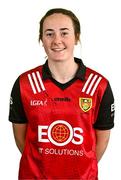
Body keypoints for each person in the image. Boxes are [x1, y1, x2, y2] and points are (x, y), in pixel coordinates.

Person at [9, 8, 115, 180]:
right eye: (49, 34)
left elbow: (101, 142)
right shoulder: (25, 83)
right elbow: (21, 139)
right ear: (41, 39)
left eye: (64, 33)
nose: (57, 40)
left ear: (77, 37)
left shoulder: (98, 85)